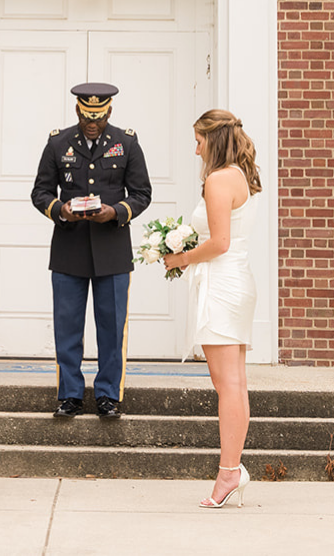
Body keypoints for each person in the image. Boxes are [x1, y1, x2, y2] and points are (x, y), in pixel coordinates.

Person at [31, 82, 152, 419]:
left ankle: (108, 395)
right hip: (69, 247)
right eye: (87, 116)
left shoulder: (126, 143)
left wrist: (116, 212)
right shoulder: (58, 143)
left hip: (112, 247)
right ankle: (69, 394)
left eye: (98, 116)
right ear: (77, 111)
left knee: (112, 327)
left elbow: (142, 193)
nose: (92, 123)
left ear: (109, 111)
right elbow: (40, 192)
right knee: (67, 325)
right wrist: (60, 210)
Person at [163, 108, 260, 508]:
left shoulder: (219, 180)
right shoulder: (239, 175)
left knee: (228, 386)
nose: (195, 148)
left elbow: (219, 242)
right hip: (235, 282)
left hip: (222, 285)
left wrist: (180, 258)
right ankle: (232, 469)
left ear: (212, 140)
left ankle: (229, 472)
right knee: (233, 384)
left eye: (199, 139)